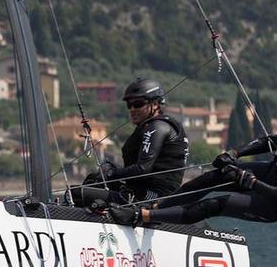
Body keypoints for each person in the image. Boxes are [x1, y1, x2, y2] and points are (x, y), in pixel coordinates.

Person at [110, 90, 277, 226]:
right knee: (214, 176)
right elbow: (271, 141)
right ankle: (157, 208)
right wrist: (234, 153)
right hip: (274, 173)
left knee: (217, 203)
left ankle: (141, 218)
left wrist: (252, 184)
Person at [72, 77, 189, 207]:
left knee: (74, 194)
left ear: (155, 104)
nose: (132, 109)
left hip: (155, 197)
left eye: (138, 104)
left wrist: (111, 173)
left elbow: (142, 169)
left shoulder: (157, 127)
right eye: (129, 105)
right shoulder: (152, 126)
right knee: (94, 181)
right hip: (142, 191)